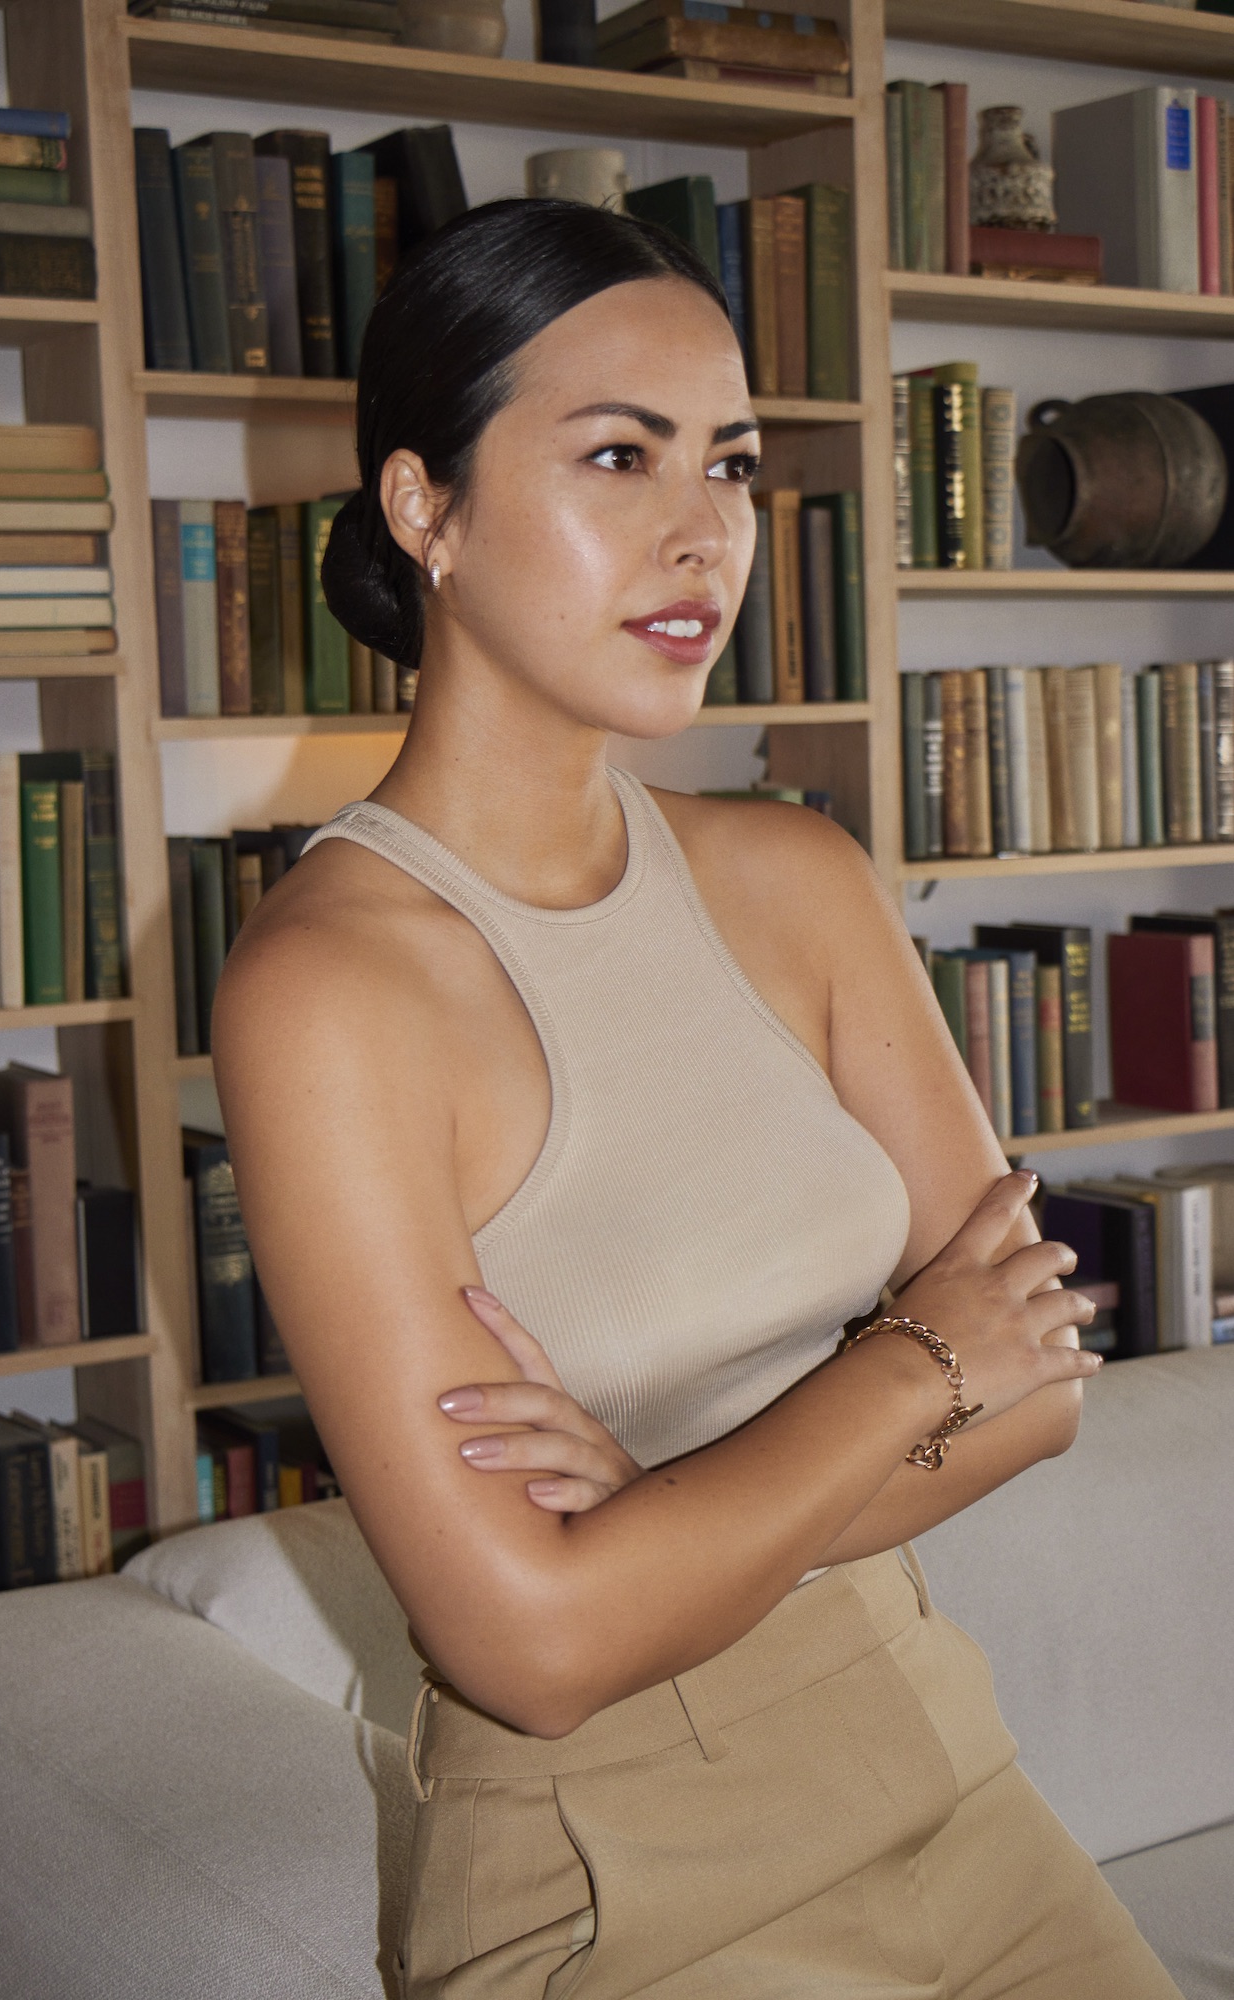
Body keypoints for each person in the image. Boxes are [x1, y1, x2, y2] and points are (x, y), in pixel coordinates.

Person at [212, 198, 1180, 1999]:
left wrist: (655, 1511)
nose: (703, 533)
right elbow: (536, 1653)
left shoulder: (799, 874)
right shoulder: (327, 989)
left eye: (728, 464)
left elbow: (1040, 1389)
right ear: (424, 508)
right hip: (616, 1874)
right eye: (617, 455)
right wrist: (908, 1367)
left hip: (945, 1769)